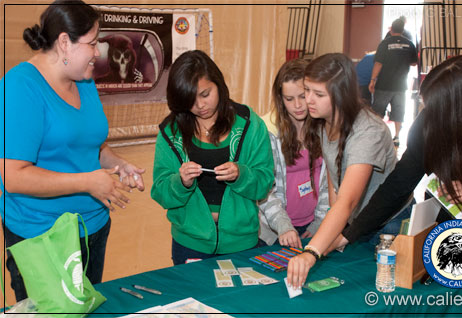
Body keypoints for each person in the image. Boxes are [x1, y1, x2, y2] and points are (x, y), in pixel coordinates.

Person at [310, 56, 462, 316]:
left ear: (461, 108)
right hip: (452, 227)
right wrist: (349, 233)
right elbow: (397, 185)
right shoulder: (429, 122)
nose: (426, 112)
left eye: (434, 107)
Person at [0, 0, 145, 302]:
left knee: (85, 306)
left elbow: (89, 141)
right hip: (42, 236)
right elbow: (12, 176)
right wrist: (88, 182)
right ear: (64, 42)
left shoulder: (84, 79)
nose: (97, 52)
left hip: (92, 227)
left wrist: (117, 163)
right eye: (92, 44)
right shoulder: (19, 88)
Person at [286, 53, 411, 287]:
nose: (307, 101)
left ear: (341, 95)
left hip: (389, 224)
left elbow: (348, 202)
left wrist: (312, 252)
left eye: (318, 94)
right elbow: (336, 179)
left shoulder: (367, 131)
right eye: (307, 90)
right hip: (358, 224)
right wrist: (332, 232)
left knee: (380, 290)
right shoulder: (324, 121)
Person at [151, 50, 274, 265]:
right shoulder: (170, 131)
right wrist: (180, 182)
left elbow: (264, 184)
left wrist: (240, 175)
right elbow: (161, 193)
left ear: (219, 84)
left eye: (205, 94)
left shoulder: (249, 124)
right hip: (189, 243)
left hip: (241, 242)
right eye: (190, 99)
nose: (200, 105)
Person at [258, 59, 329, 248]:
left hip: (313, 225)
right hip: (276, 228)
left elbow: (330, 184)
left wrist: (320, 222)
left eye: (302, 96)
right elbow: (264, 190)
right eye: (289, 99)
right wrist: (283, 226)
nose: (297, 105)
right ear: (280, 99)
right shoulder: (268, 132)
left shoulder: (325, 127)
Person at [370, 18, 418, 147]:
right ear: (402, 30)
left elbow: (378, 63)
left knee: (378, 112)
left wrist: (372, 80)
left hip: (384, 85)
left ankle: (376, 136)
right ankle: (396, 137)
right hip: (400, 86)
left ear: (391, 29)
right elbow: (414, 63)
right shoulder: (410, 44)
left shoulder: (384, 43)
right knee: (398, 112)